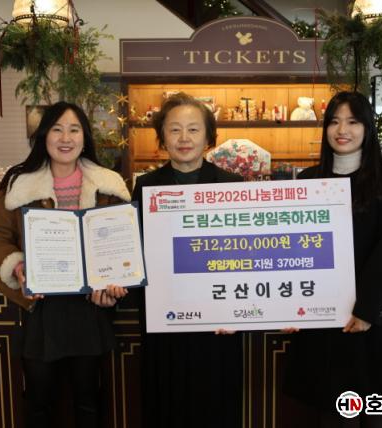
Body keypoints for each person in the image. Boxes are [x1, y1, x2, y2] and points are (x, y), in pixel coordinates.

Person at [0, 101, 131, 428]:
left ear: (84, 137)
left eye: (74, 130)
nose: (66, 138)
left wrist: (116, 280)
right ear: (44, 136)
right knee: (39, 402)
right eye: (57, 129)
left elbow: (123, 244)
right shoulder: (18, 184)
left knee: (89, 400)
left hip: (90, 309)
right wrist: (18, 266)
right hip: (41, 309)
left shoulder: (109, 184)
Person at [283, 91, 382, 427]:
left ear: (367, 128)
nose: (343, 130)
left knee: (372, 410)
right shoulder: (308, 180)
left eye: (353, 122)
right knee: (328, 411)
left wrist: (366, 310)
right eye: (335, 121)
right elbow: (294, 248)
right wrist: (290, 305)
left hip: (368, 313)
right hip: (321, 314)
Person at [125, 92, 244, 428]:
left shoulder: (231, 185)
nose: (184, 138)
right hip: (166, 321)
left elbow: (244, 253)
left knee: (216, 406)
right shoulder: (146, 186)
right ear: (162, 138)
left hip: (218, 321)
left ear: (208, 137)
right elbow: (134, 249)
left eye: (193, 129)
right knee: (167, 402)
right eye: (174, 129)